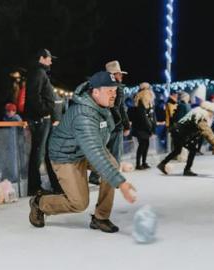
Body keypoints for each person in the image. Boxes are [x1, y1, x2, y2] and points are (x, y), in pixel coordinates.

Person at [29, 71, 137, 232]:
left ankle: (101, 217)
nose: (114, 95)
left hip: (83, 150)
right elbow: (94, 151)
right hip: (66, 156)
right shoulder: (84, 115)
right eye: (110, 91)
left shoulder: (102, 107)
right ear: (95, 92)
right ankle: (40, 203)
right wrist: (122, 184)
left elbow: (99, 141)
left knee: (112, 166)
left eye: (115, 91)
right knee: (79, 203)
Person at [24, 48, 62, 195]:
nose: (51, 61)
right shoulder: (38, 73)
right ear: (42, 58)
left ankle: (45, 186)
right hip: (40, 119)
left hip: (42, 119)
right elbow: (34, 97)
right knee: (38, 153)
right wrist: (45, 111)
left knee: (43, 153)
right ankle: (35, 187)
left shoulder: (40, 73)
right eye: (49, 58)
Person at [88, 60, 130, 185]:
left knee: (103, 151)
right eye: (119, 74)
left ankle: (95, 177)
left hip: (103, 123)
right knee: (115, 153)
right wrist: (125, 124)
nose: (121, 76)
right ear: (113, 74)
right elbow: (119, 108)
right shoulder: (117, 88)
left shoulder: (101, 86)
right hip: (114, 125)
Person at [157, 101, 214, 176]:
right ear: (209, 111)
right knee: (192, 149)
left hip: (177, 131)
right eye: (213, 113)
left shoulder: (197, 112)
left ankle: (162, 164)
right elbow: (207, 132)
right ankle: (187, 170)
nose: (213, 115)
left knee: (177, 150)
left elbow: (201, 132)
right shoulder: (201, 116)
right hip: (180, 133)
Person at [131, 83, 156, 170]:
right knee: (142, 145)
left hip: (146, 128)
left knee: (146, 144)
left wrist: (153, 128)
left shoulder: (149, 103)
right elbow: (143, 118)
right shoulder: (140, 102)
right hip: (141, 128)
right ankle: (138, 164)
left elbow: (152, 116)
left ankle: (144, 162)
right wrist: (150, 128)